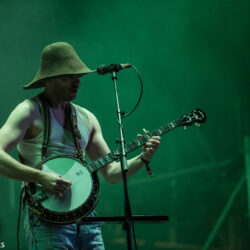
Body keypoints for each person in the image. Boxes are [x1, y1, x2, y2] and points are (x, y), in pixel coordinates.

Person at [0, 42, 160, 249]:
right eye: (67, 77)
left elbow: (111, 173)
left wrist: (144, 157)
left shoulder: (87, 118)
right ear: (48, 79)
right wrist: (39, 176)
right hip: (47, 222)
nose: (76, 82)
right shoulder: (29, 111)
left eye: (78, 77)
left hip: (87, 219)